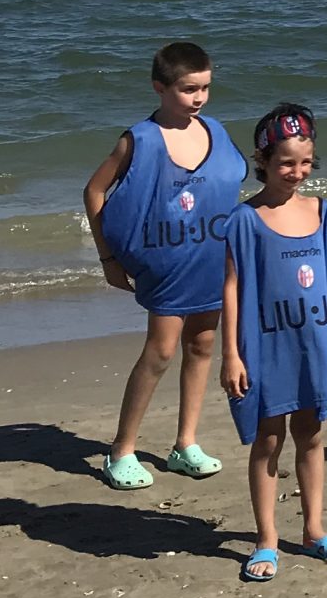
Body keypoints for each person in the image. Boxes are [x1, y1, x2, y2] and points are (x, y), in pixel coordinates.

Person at [83, 40, 242, 490]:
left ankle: (185, 444)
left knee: (202, 346)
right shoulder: (139, 139)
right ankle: (121, 451)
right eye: (188, 89)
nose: (199, 98)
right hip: (167, 265)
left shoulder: (214, 130)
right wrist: (109, 258)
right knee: (160, 352)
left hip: (211, 258)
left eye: (205, 88)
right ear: (160, 87)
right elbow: (94, 191)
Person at [221, 105, 327, 583]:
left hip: (314, 341)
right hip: (266, 345)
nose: (297, 172)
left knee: (311, 433)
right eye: (285, 163)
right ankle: (267, 539)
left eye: (305, 163)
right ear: (262, 160)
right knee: (268, 439)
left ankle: (314, 529)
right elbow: (232, 288)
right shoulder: (245, 219)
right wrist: (231, 354)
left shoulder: (321, 212)